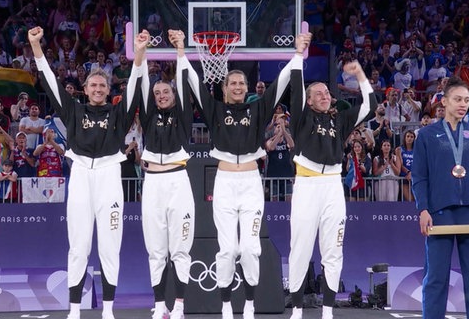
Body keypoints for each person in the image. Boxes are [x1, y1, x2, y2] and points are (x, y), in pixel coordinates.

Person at [177, 28, 312, 319]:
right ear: (224, 89)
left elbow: (283, 80)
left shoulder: (259, 110)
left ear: (247, 87)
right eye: (233, 83)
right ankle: (227, 305)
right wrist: (180, 52)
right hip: (224, 185)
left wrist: (298, 53)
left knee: (250, 249)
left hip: (251, 184)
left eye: (241, 83)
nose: (238, 86)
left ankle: (249, 304)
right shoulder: (213, 110)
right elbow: (192, 81)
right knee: (227, 250)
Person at [28, 26, 138, 319]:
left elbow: (137, 83)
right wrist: (36, 47)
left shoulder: (119, 114)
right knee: (78, 246)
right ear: (85, 89)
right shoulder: (74, 111)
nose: (99, 89)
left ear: (108, 89)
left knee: (110, 245)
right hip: (80, 178)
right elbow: (50, 83)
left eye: (103, 86)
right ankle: (74, 310)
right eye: (93, 86)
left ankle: (109, 310)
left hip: (109, 178)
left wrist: (140, 55)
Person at [287, 60, 377, 319]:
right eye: (318, 94)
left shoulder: (341, 120)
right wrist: (298, 55)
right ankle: (297, 310)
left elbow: (370, 105)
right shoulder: (302, 118)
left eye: (327, 93)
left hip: (333, 187)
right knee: (301, 248)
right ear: (309, 101)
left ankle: (327, 311)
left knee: (333, 250)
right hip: (306, 185)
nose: (325, 96)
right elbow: (295, 87)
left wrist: (360, 74)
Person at [412, 76, 469, 319]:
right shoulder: (427, 136)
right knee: (436, 279)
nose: (463, 104)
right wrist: (423, 209)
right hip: (440, 212)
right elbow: (419, 176)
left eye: (467, 100)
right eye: (458, 99)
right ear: (444, 101)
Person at [134, 29, 196, 319]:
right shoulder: (148, 114)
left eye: (166, 92)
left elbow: (184, 82)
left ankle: (180, 306)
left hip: (178, 181)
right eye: (157, 93)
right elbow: (142, 83)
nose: (160, 96)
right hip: (153, 184)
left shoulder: (183, 113)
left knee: (180, 250)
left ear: (174, 95)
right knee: (156, 250)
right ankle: (160, 305)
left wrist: (180, 50)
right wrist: (141, 51)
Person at [395, 130, 415, 201]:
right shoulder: (399, 149)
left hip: (415, 177)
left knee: (417, 200)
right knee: (410, 199)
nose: (409, 138)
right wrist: (408, 172)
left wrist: (412, 173)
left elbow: (418, 163)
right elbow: (400, 164)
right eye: (408, 136)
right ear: (405, 138)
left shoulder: (416, 150)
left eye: (412, 137)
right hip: (404, 177)